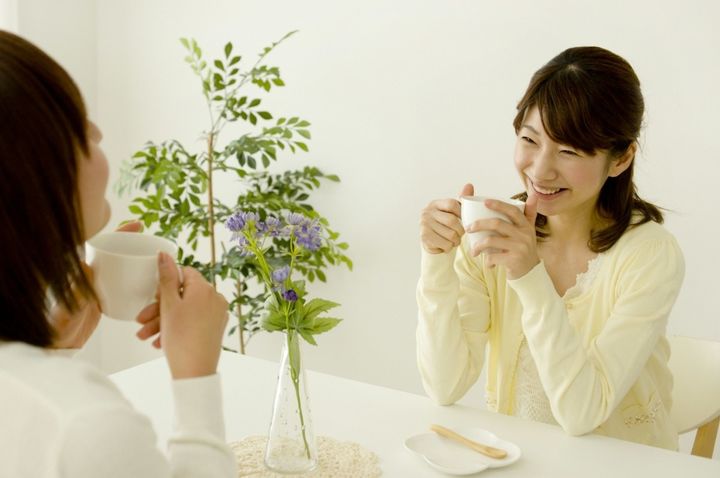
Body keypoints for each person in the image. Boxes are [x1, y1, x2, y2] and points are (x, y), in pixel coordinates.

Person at [417, 46, 684, 450]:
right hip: (521, 460)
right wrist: (436, 260)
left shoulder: (649, 255)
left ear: (621, 158)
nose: (540, 170)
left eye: (569, 151)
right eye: (530, 139)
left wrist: (529, 275)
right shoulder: (491, 233)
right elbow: (443, 385)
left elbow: (582, 414)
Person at [0, 30, 237, 476]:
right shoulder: (85, 423)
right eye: (77, 124)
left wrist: (50, 351)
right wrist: (196, 375)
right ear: (32, 171)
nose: (98, 132)